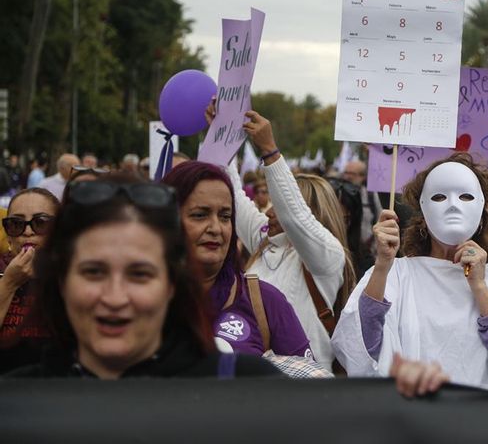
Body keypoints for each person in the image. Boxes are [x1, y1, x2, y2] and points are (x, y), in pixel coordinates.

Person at [6, 176, 279, 378]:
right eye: (93, 272)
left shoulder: (246, 386)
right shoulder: (18, 401)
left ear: (172, 284)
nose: (114, 297)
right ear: (62, 281)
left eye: (139, 274)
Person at [332, 153, 488, 386]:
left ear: (481, 209)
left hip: (479, 415)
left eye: (465, 197)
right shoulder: (395, 274)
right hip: (410, 413)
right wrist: (381, 266)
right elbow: (359, 346)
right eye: (439, 196)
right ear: (423, 210)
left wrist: (479, 287)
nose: (453, 206)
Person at [211, 107, 355, 372]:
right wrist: (220, 137)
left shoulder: (327, 256)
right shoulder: (266, 241)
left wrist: (269, 150)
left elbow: (294, 215)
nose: (270, 210)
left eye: (278, 200)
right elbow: (233, 196)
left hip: (302, 385)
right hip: (253, 379)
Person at [162, 161, 313, 359]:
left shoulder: (266, 302)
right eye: (200, 215)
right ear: (167, 220)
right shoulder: (137, 300)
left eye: (225, 216)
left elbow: (308, 386)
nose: (216, 228)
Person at [0, 188, 59, 373]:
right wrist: (9, 284)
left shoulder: (74, 274)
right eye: (16, 224)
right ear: (8, 235)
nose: (27, 232)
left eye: (40, 222)